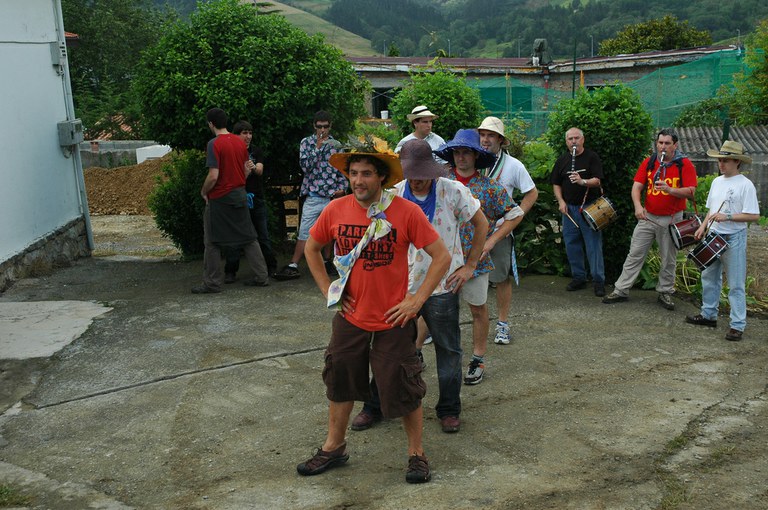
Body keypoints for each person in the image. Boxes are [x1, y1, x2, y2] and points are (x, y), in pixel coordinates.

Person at [296, 142, 450, 483]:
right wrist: (329, 291)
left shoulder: (406, 212)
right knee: (339, 380)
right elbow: (311, 248)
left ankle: (417, 454)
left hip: (393, 318)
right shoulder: (335, 209)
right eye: (353, 173)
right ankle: (334, 447)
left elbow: (442, 256)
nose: (358, 180)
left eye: (366, 173)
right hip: (350, 318)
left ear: (381, 177)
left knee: (405, 385)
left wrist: (416, 300)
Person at [350, 139, 488, 434]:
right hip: (402, 287)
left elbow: (482, 223)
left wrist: (470, 265)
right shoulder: (392, 195)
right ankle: (374, 405)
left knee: (448, 349)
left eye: (423, 174)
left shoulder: (453, 191)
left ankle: (449, 409)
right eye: (411, 174)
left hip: (442, 285)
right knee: (388, 349)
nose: (417, 180)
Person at [434, 129, 524, 386]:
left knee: (477, 308)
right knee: (435, 312)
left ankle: (477, 359)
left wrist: (492, 240)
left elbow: (515, 214)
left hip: (475, 261)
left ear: (476, 156)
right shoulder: (440, 182)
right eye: (456, 152)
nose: (461, 157)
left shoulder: (489, 187)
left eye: (466, 152)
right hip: (442, 260)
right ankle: (419, 353)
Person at [603, 128, 697, 310]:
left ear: (675, 145)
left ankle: (665, 292)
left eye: (667, 143)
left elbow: (691, 192)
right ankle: (621, 290)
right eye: (660, 143)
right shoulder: (650, 162)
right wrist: (638, 206)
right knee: (635, 253)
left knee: (668, 258)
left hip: (671, 218)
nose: (663, 147)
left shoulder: (683, 164)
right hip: (648, 216)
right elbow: (637, 187)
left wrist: (670, 190)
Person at [685, 140, 760, 341]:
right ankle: (708, 314)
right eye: (719, 160)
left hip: (734, 237)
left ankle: (737, 325)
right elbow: (712, 209)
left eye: (725, 160)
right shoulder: (717, 182)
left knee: (736, 283)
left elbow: (754, 215)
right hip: (713, 235)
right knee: (709, 277)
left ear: (737, 162)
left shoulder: (746, 185)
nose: (721, 164)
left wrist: (727, 217)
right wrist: (703, 226)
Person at [191, 108, 269, 294]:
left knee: (212, 241)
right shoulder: (239, 142)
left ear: (211, 124)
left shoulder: (214, 144)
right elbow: (246, 170)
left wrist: (204, 191)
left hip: (220, 198)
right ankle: (262, 276)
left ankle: (212, 283)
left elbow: (213, 175)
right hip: (240, 195)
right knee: (249, 237)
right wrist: (238, 183)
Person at [477, 116, 539, 345]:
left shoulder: (513, 165)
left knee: (501, 278)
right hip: (470, 232)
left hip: (499, 231)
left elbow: (532, 193)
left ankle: (502, 324)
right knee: (466, 277)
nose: (485, 140)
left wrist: (517, 214)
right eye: (482, 135)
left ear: (501, 140)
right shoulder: (473, 160)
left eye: (490, 135)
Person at [274, 111, 347, 281]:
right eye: (319, 126)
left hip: (331, 196)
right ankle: (294, 264)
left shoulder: (336, 145)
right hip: (313, 195)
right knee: (305, 231)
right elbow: (306, 167)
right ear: (314, 126)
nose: (322, 130)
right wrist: (318, 148)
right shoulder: (306, 143)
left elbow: (342, 170)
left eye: (325, 126)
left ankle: (327, 261)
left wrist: (342, 189)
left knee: (329, 231)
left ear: (330, 126)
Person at [550, 127, 606, 296]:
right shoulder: (562, 160)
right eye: (570, 139)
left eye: (576, 138)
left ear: (583, 140)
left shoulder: (591, 157)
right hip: (569, 209)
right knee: (571, 244)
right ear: (566, 142)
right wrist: (561, 202)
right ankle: (579, 277)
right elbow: (556, 183)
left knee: (593, 245)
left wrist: (582, 181)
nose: (573, 141)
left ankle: (598, 281)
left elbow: (597, 181)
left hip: (589, 207)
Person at [222, 120, 278, 282]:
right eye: (244, 133)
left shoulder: (256, 150)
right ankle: (230, 271)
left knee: (263, 235)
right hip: (237, 199)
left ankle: (271, 267)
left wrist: (253, 167)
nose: (248, 136)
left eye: (250, 133)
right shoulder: (230, 152)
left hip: (256, 198)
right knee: (234, 237)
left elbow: (260, 169)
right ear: (236, 135)